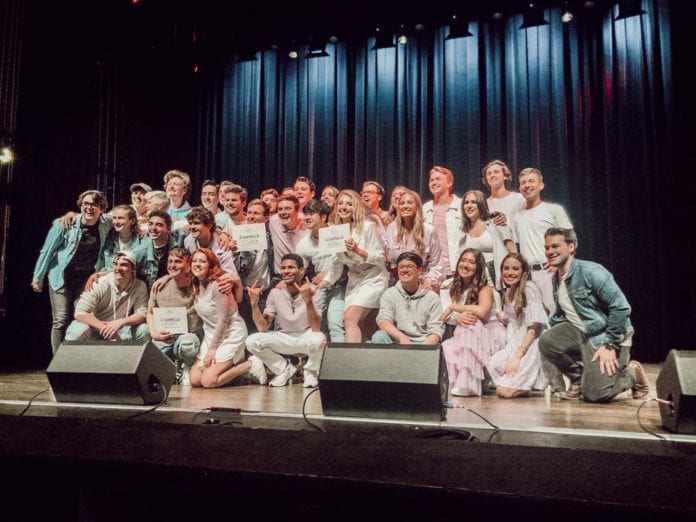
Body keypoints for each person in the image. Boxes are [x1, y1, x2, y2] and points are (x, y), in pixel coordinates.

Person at [538, 228, 649, 402]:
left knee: (597, 394)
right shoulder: (556, 278)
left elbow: (621, 308)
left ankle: (632, 372)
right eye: (547, 248)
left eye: (555, 246)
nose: (550, 252)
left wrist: (610, 345)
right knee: (546, 341)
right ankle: (578, 379)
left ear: (571, 247)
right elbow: (564, 314)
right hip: (583, 334)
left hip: (608, 337)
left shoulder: (591, 272)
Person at [32, 190, 112, 353]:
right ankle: (58, 362)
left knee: (83, 317)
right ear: (80, 206)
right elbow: (47, 251)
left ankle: (75, 360)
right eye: (85, 204)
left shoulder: (106, 223)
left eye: (94, 205)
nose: (89, 208)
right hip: (61, 276)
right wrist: (38, 277)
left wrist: (139, 228)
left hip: (86, 279)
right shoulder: (65, 223)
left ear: (101, 208)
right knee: (60, 320)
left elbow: (125, 215)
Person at [246, 254, 326, 388]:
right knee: (252, 341)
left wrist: (308, 301)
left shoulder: (314, 291)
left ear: (301, 271)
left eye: (291, 267)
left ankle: (310, 372)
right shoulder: (275, 293)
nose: (286, 271)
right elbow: (263, 328)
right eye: (283, 268)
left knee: (319, 339)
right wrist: (254, 304)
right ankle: (284, 369)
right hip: (283, 337)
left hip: (305, 337)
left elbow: (316, 327)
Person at [321, 189, 389, 342]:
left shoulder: (367, 227)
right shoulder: (334, 232)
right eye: (340, 203)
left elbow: (381, 259)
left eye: (349, 204)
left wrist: (358, 251)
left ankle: (350, 363)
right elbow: (337, 266)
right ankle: (362, 361)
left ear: (356, 207)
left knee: (350, 317)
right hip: (354, 281)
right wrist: (320, 286)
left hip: (374, 278)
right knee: (358, 324)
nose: (344, 207)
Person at [441, 249, 506, 396]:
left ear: (478, 268)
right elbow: (444, 316)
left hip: (491, 333)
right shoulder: (451, 287)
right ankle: (469, 381)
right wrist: (456, 317)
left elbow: (482, 312)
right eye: (463, 260)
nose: (465, 265)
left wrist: (454, 308)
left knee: (470, 323)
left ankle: (468, 383)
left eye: (471, 262)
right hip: (468, 333)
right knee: (449, 344)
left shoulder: (485, 288)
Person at [487, 253, 549, 398]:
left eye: (515, 269)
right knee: (491, 366)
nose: (510, 273)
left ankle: (525, 385)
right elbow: (513, 320)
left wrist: (518, 356)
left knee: (504, 392)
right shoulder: (508, 291)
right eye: (506, 268)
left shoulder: (529, 289)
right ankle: (515, 382)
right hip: (513, 341)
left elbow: (533, 329)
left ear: (523, 272)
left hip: (530, 344)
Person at [189, 248, 251, 388]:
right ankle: (231, 372)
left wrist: (212, 350)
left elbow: (223, 320)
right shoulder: (196, 284)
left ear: (211, 266)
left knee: (208, 381)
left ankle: (250, 365)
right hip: (211, 335)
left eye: (202, 261)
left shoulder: (218, 285)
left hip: (230, 334)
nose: (197, 264)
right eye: (194, 261)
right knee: (194, 380)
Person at [514, 167, 573, 314]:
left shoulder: (553, 210)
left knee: (556, 314)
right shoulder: (517, 217)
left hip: (550, 272)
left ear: (541, 185)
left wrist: (561, 263)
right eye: (523, 182)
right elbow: (517, 247)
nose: (527, 185)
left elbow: (571, 239)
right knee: (533, 319)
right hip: (528, 276)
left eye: (531, 181)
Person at [64, 251, 150, 342]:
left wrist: (120, 322)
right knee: (77, 331)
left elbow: (142, 314)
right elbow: (80, 312)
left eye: (123, 265)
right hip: (94, 327)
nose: (118, 268)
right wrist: (106, 329)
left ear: (133, 268)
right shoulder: (100, 283)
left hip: (120, 329)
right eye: (115, 264)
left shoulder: (140, 286)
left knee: (144, 330)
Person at [147, 248, 203, 384]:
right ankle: (171, 366)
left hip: (188, 336)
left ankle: (186, 367)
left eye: (178, 262)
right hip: (164, 337)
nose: (172, 265)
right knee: (150, 356)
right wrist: (154, 333)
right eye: (170, 261)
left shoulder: (198, 285)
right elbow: (150, 312)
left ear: (188, 264)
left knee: (188, 344)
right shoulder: (159, 286)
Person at [372, 252, 444, 345]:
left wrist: (423, 351)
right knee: (379, 336)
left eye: (409, 266)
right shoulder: (390, 293)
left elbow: (436, 329)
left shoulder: (432, 297)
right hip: (399, 340)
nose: (404, 270)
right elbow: (383, 320)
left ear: (419, 270)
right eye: (401, 267)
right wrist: (401, 337)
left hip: (422, 342)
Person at [383, 189, 443, 290]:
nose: (405, 206)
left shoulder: (429, 231)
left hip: (422, 282)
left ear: (417, 206)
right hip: (397, 283)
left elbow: (437, 264)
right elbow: (387, 258)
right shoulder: (391, 228)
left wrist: (429, 280)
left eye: (409, 203)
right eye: (402, 203)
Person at [459, 190, 516, 288]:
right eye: (466, 202)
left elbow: (513, 253)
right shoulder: (463, 231)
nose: (469, 206)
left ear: (481, 204)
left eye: (474, 202)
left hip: (496, 278)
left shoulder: (496, 223)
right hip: (474, 280)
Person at [423, 166, 463, 285]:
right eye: (431, 180)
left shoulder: (461, 206)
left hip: (455, 269)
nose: (434, 182)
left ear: (449, 183)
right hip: (431, 272)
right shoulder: (424, 209)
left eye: (438, 179)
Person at [267, 194, 309, 275]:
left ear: (297, 211)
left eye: (287, 208)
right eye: (280, 209)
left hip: (299, 276)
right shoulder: (273, 221)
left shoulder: (306, 229)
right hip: (278, 276)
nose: (283, 212)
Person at [482, 160, 525, 227]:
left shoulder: (519, 199)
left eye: (496, 172)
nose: (492, 175)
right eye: (489, 173)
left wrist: (507, 221)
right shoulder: (484, 204)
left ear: (505, 176)